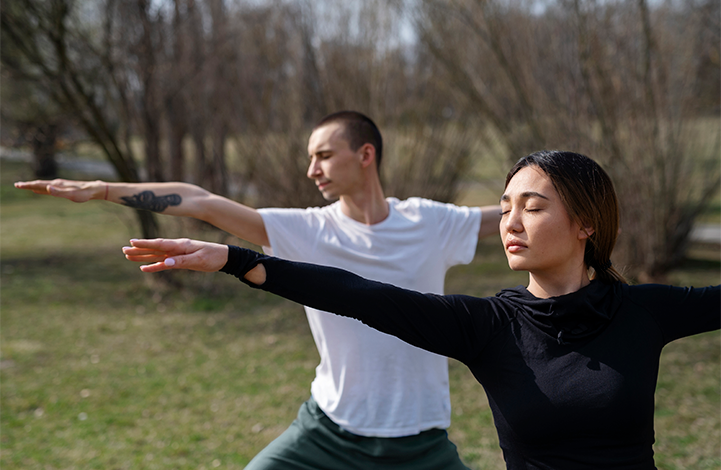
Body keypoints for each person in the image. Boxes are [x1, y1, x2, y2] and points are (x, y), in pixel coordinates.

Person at [122, 150, 720, 470]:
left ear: (586, 223)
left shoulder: (646, 312)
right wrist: (234, 259)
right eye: (505, 206)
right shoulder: (490, 328)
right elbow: (360, 295)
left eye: (532, 207)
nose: (510, 222)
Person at [16, 111, 502, 470]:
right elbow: (202, 202)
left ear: (366, 155)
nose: (312, 169)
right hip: (327, 432)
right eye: (310, 157)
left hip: (419, 442)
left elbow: (512, 217)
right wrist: (103, 190)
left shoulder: (430, 221)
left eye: (324, 155)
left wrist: (567, 198)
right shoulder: (305, 229)